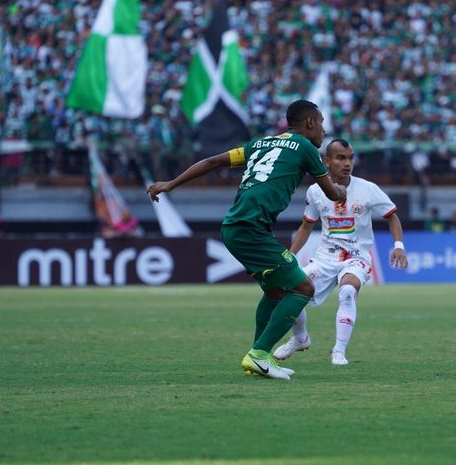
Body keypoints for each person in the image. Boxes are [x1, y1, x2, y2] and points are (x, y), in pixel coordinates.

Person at [147, 100, 346, 379]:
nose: (324, 131)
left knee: (275, 292)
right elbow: (332, 194)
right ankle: (260, 354)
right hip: (250, 229)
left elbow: (213, 161)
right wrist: (341, 190)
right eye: (322, 123)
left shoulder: (259, 144)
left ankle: (258, 359)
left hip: (236, 227)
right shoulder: (305, 147)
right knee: (303, 288)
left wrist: (171, 183)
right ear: (310, 123)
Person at [273, 139, 408, 366]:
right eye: (340, 158)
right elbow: (307, 225)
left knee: (347, 291)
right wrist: (290, 255)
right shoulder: (316, 191)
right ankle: (300, 339)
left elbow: (392, 216)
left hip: (357, 256)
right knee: (289, 294)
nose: (347, 163)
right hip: (325, 257)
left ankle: (338, 350)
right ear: (326, 161)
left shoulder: (368, 189)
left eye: (350, 158)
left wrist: (398, 246)